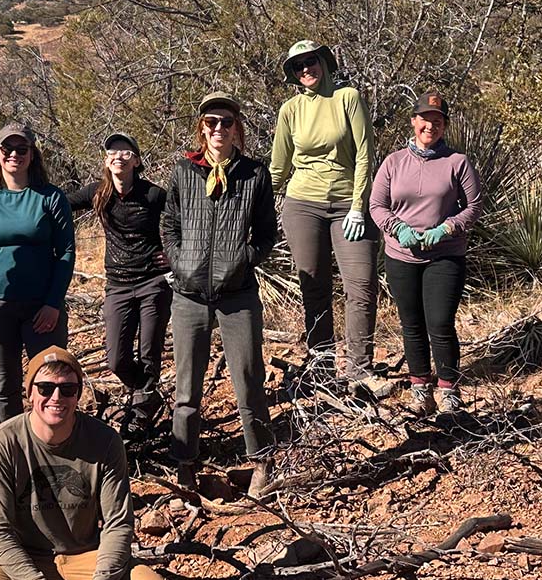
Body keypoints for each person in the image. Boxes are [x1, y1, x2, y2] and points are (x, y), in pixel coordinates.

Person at [0, 347, 188, 580]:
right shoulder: (1, 445)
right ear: (30, 393)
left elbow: (117, 524)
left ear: (78, 394)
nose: (56, 398)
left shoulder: (104, 441)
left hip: (86, 557)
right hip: (23, 560)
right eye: (46, 388)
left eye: (67, 389)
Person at [162, 93, 277, 495]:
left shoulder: (253, 175)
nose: (218, 130)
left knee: (248, 379)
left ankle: (261, 461)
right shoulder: (184, 172)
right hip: (189, 294)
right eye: (211, 122)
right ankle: (185, 465)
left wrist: (243, 260)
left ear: (236, 128)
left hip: (237, 293)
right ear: (201, 128)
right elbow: (169, 225)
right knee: (186, 386)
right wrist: (181, 262)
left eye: (226, 123)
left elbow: (267, 234)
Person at [270, 40, 383, 393]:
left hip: (348, 204)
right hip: (302, 204)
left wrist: (357, 206)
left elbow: (365, 155)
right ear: (293, 73)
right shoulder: (289, 110)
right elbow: (278, 167)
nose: (307, 69)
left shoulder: (347, 98)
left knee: (361, 286)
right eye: (299, 65)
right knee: (313, 285)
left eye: (312, 61)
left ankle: (360, 369)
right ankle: (320, 368)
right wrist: (248, 203)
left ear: (324, 62)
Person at [369, 93, 482, 415]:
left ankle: (448, 388)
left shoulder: (457, 162)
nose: (430, 125)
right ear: (413, 121)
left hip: (444, 255)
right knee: (411, 322)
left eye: (438, 120)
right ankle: (420, 387)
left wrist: (446, 228)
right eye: (425, 118)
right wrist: (397, 229)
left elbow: (474, 206)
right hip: (401, 254)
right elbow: (377, 205)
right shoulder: (393, 162)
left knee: (440, 322)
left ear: (444, 125)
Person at [0, 123, 75, 422]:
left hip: (42, 307)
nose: (14, 155)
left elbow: (66, 253)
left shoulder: (50, 197)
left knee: (50, 380)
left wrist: (53, 304)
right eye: (7, 149)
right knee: (4, 384)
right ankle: (11, 447)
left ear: (32, 155)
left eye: (21, 149)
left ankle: (51, 440)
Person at [66, 132, 170, 442]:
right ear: (106, 160)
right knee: (116, 359)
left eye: (126, 152)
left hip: (153, 282)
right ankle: (146, 395)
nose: (118, 156)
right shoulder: (99, 193)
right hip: (118, 286)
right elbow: (57, 203)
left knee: (150, 353)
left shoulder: (153, 194)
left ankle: (139, 417)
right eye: (112, 151)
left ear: (136, 161)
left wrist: (176, 255)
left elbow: (187, 218)